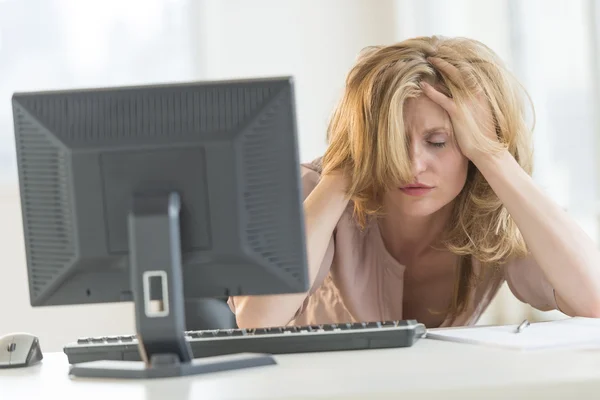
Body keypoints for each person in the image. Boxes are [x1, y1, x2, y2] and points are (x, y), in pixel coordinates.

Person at [228, 35, 600, 329]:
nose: (412, 166)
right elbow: (256, 320)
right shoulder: (312, 193)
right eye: (391, 140)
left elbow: (593, 299)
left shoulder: (497, 211)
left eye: (438, 142)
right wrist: (344, 167)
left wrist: (493, 156)